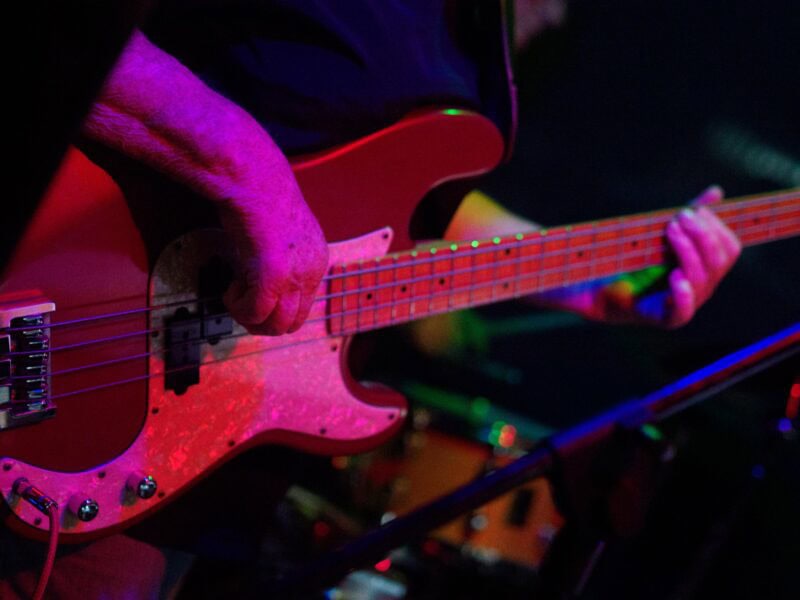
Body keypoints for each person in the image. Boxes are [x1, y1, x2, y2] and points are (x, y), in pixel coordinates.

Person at [1, 1, 741, 597]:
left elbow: (402, 202)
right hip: (71, 329)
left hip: (188, 469)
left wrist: (597, 282)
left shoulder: (471, 27)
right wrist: (244, 167)